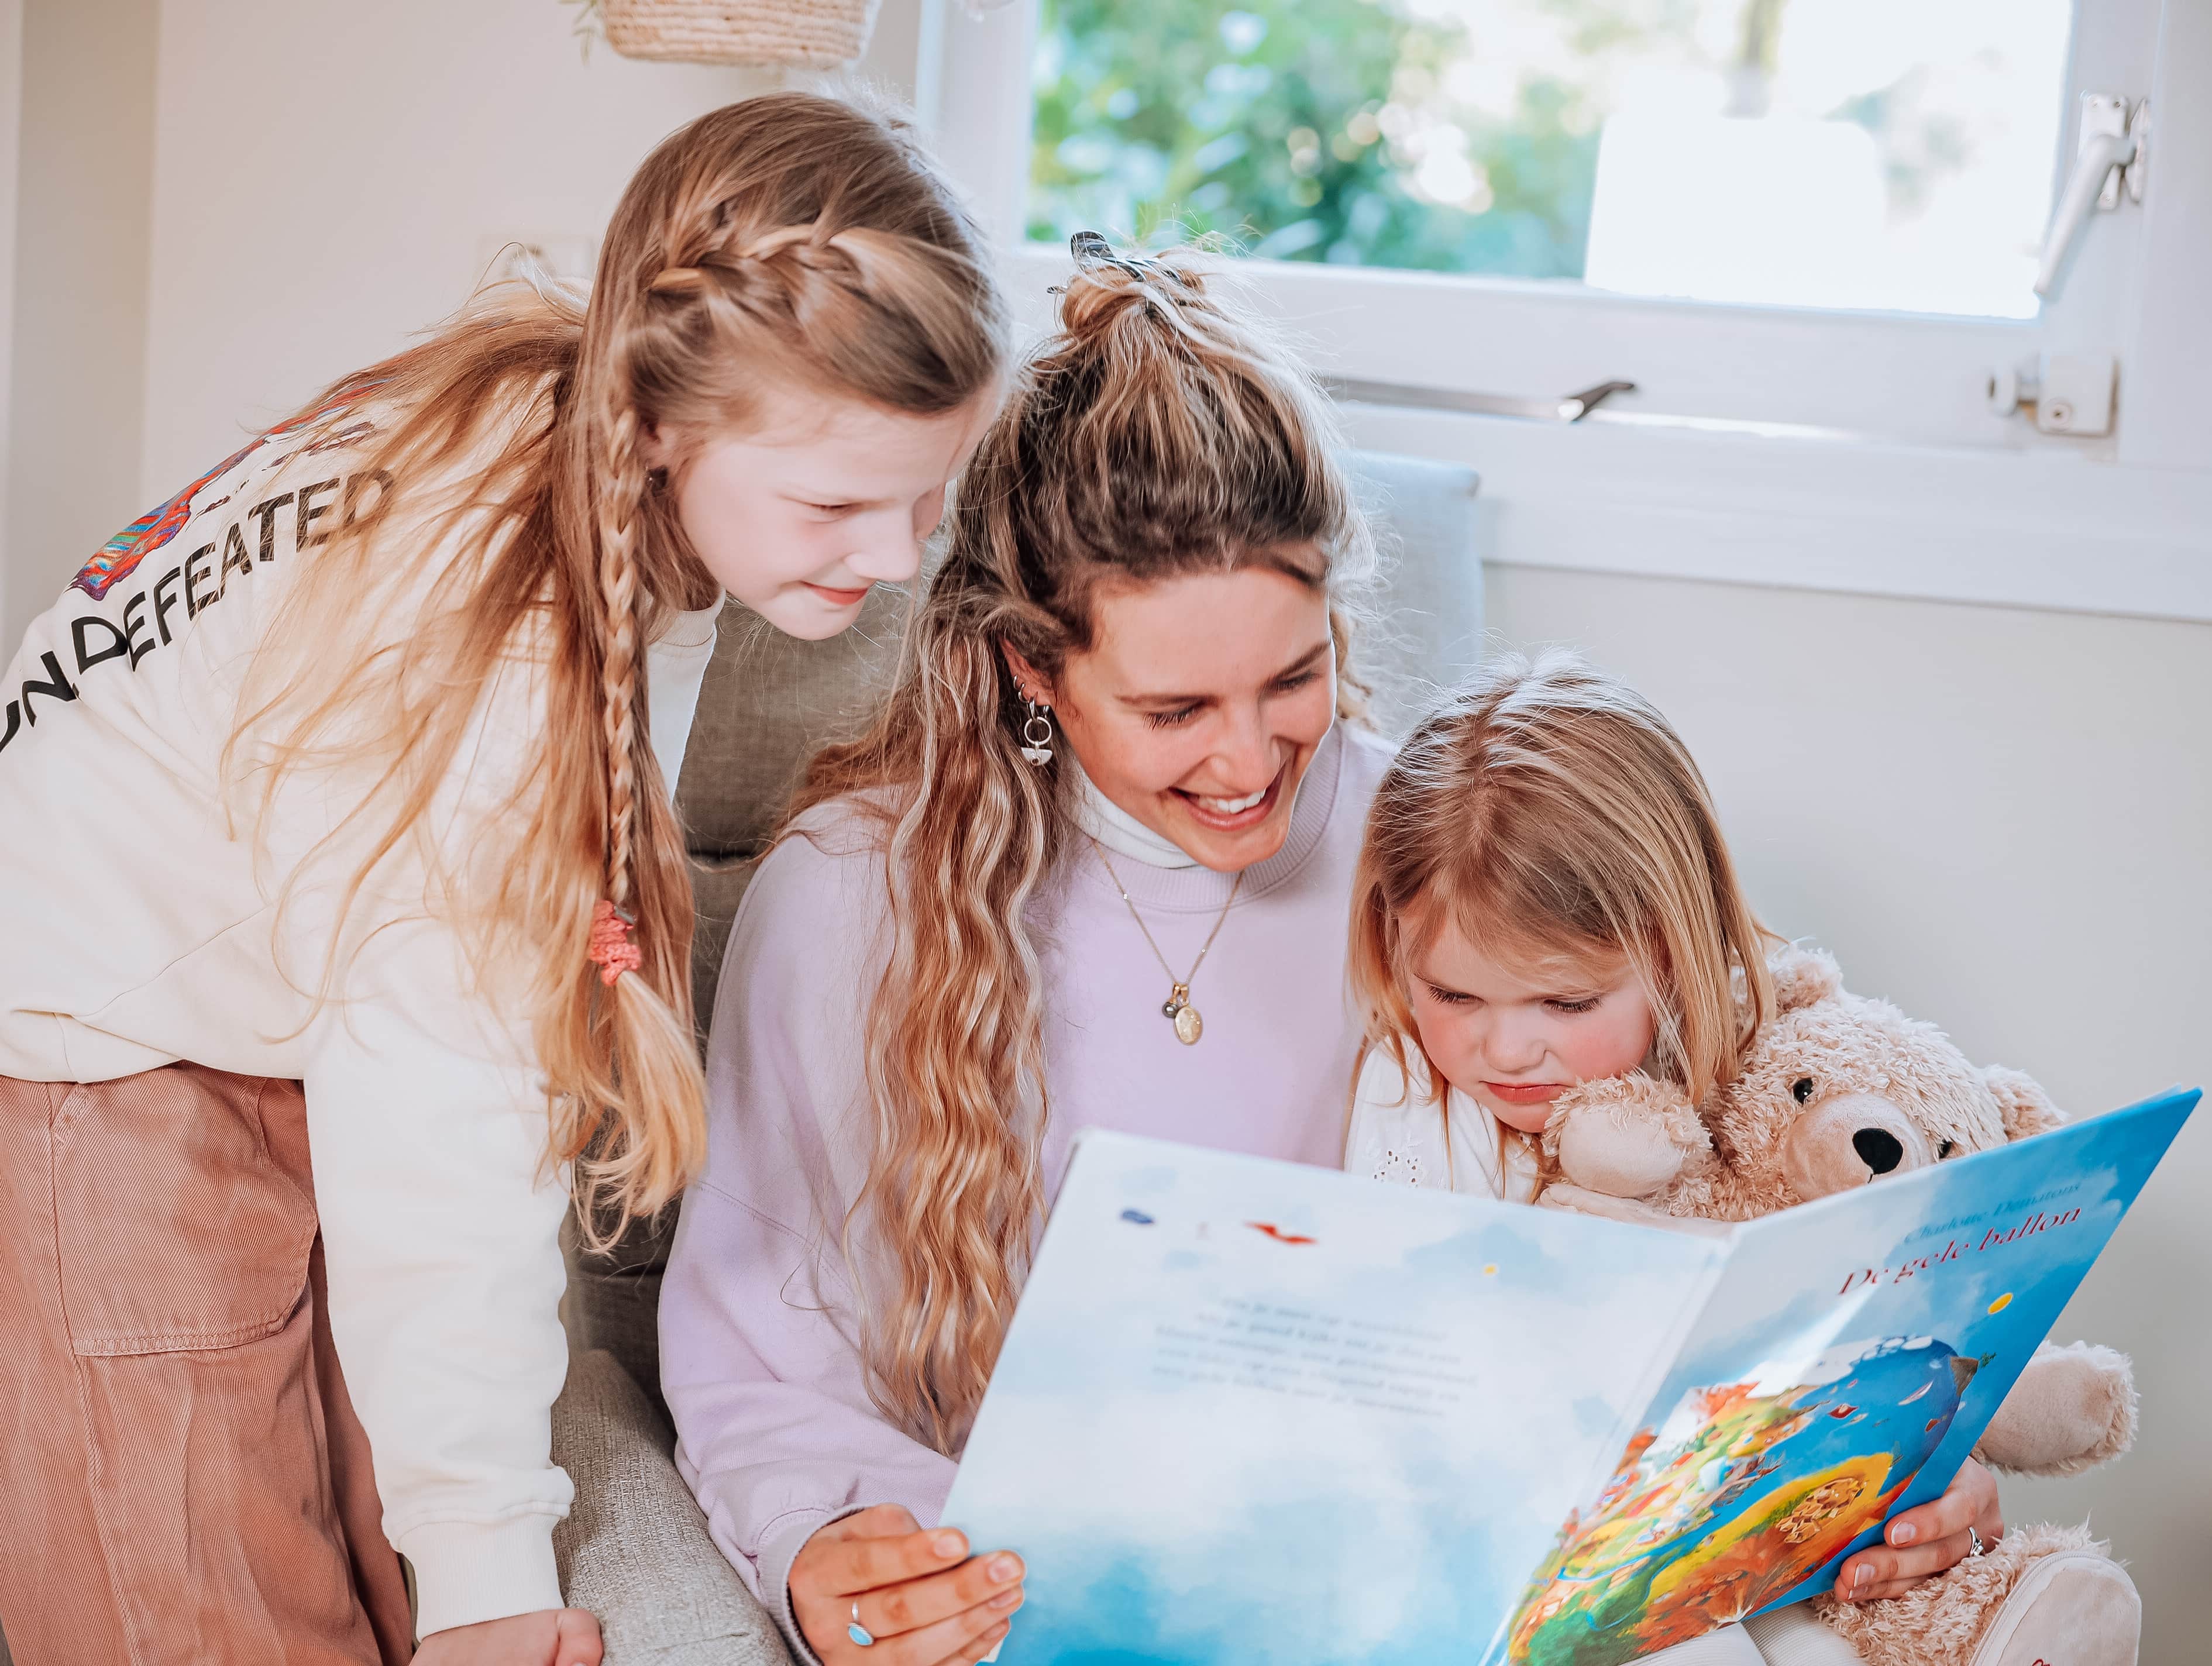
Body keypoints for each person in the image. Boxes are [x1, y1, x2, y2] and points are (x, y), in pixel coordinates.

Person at [0, 94, 1004, 1666]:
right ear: (669, 419)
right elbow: (438, 1105)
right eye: (832, 505)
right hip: (97, 1065)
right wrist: (484, 1581)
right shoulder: (496, 655)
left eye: (927, 500)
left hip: (249, 1018)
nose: (892, 557)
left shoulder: (584, 430)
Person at [660, 240, 1398, 1665]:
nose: (1252, 758)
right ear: (1033, 670)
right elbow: (756, 1353)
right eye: (1176, 706)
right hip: (1046, 1596)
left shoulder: (1418, 834)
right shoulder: (851, 896)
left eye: (1294, 677)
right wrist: (825, 1544)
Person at [1343, 650, 2010, 1666]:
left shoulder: (1777, 1073)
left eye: (1566, 1003)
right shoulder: (1412, 1101)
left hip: (1759, 1510)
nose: (1507, 1050)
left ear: (1667, 947)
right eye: (1454, 995)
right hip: (1531, 1546)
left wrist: (1934, 1467)